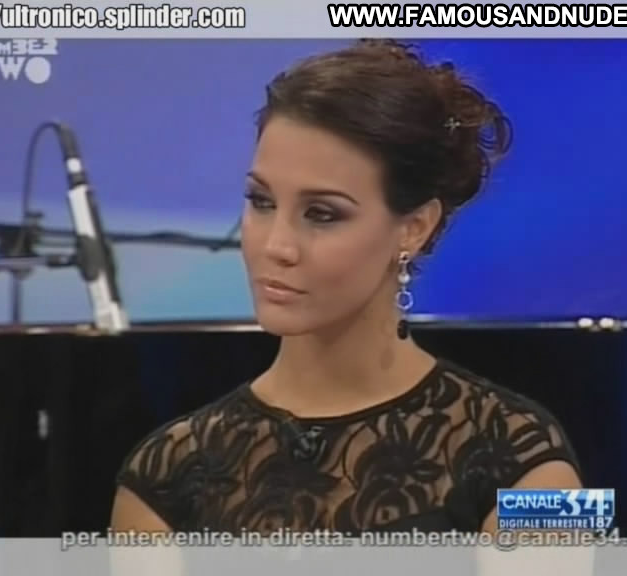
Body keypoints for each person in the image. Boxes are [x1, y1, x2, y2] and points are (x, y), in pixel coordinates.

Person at [110, 39, 582, 537]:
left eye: (322, 213)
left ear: (414, 228)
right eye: (261, 202)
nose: (276, 246)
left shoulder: (534, 464)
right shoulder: (160, 477)